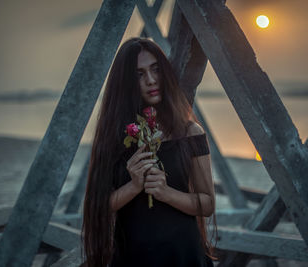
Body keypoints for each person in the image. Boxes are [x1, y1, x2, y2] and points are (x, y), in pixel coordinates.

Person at [82, 37, 216, 267]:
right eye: (139, 74)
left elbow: (207, 204)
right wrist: (134, 186)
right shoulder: (114, 138)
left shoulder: (190, 132)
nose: (151, 80)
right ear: (126, 83)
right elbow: (98, 206)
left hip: (183, 256)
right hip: (132, 258)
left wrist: (165, 193)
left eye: (156, 70)